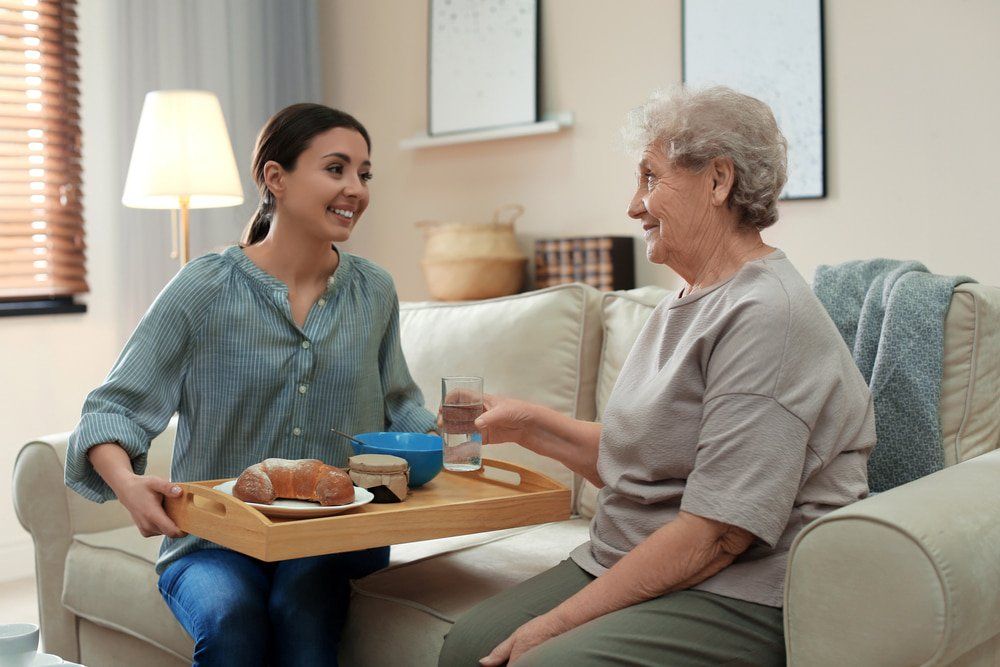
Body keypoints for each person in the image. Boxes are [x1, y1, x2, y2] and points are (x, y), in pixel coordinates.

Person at [438, 87, 877, 666]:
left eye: (650, 178)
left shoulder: (767, 315)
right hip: (633, 556)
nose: (633, 205)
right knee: (466, 648)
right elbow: (647, 464)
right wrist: (527, 425)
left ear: (718, 181)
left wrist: (553, 627)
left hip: (741, 590)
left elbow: (718, 534)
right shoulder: (685, 302)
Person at [65, 103, 437, 666]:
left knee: (301, 610)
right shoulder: (205, 287)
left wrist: (458, 435)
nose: (355, 188)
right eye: (336, 169)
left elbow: (400, 406)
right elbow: (113, 409)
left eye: (364, 173)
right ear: (275, 177)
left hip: (335, 535)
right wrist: (126, 484)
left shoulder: (374, 291)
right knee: (231, 618)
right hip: (215, 540)